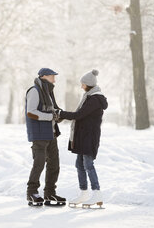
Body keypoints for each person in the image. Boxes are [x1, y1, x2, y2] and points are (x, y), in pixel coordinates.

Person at [55, 69, 108, 208]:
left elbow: (79, 115)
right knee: (79, 165)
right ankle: (84, 192)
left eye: (83, 84)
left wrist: (61, 113)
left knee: (88, 165)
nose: (81, 86)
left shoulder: (95, 99)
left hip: (89, 137)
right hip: (83, 136)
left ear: (88, 84)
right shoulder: (89, 97)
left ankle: (97, 192)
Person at [25, 68, 66, 207]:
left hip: (51, 133)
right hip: (39, 134)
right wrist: (50, 117)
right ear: (44, 77)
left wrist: (58, 115)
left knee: (54, 164)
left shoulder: (48, 91)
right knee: (39, 164)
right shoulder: (35, 91)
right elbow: (31, 112)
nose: (54, 79)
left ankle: (49, 193)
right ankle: (32, 192)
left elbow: (52, 109)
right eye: (52, 76)